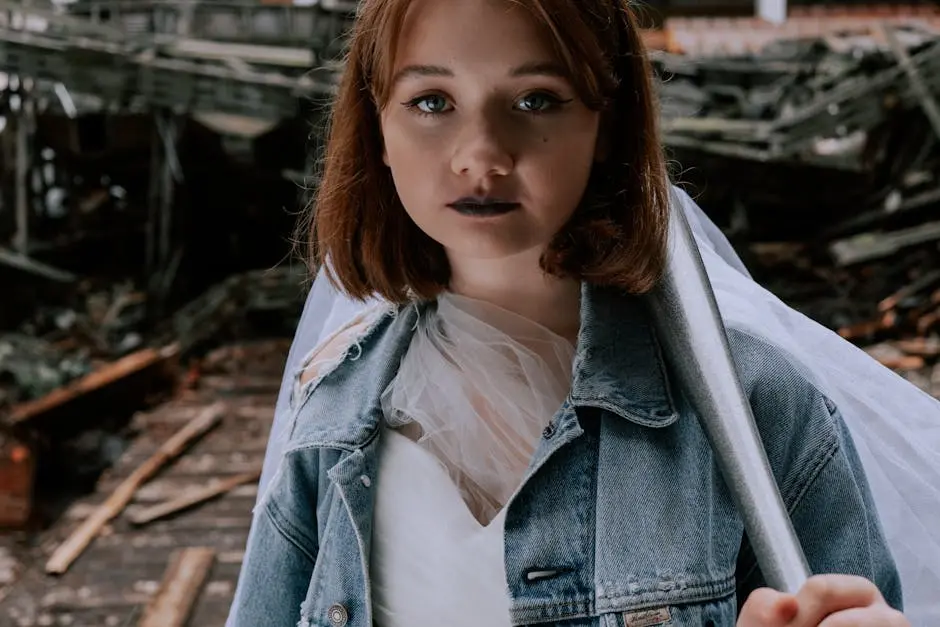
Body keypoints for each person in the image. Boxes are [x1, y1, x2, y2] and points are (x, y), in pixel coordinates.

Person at [227, 0, 931, 625]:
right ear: (377, 126)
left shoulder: (756, 407)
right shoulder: (332, 419)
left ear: (606, 124)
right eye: (432, 101)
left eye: (536, 99)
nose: (481, 156)